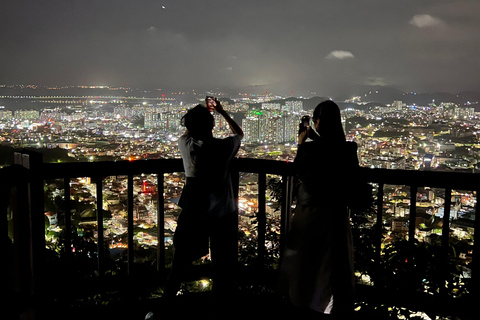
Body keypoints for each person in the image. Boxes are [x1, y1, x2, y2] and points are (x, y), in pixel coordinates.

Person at [278, 100, 358, 317]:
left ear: (320, 121)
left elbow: (300, 171)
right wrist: (313, 139)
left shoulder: (311, 150)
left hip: (312, 215)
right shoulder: (348, 149)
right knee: (332, 266)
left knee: (307, 264)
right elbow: (332, 152)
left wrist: (302, 144)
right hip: (337, 215)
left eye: (316, 120)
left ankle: (305, 304)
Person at [165, 98, 244, 304]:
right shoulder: (223, 147)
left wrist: (198, 118)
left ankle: (166, 303)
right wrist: (222, 112)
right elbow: (238, 134)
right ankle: (219, 305)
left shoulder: (186, 144)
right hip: (222, 213)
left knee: (180, 260)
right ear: (212, 125)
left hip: (194, 209)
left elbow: (189, 130)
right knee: (221, 262)